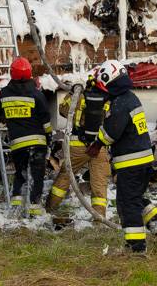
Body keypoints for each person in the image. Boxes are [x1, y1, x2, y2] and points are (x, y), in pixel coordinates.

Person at [88, 60, 157, 253]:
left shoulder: (119, 104)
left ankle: (136, 247)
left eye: (103, 86)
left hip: (131, 162)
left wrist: (97, 143)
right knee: (134, 198)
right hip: (142, 161)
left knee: (128, 204)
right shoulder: (130, 98)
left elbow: (111, 134)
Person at [47, 66, 112, 217]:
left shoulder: (80, 96)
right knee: (99, 183)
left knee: (65, 177)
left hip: (77, 146)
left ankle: (50, 208)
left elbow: (63, 110)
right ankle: (99, 218)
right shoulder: (107, 98)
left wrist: (72, 92)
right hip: (99, 146)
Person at [0, 56, 51, 216]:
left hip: (17, 143)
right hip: (37, 143)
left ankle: (16, 209)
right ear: (29, 74)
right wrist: (49, 138)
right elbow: (45, 120)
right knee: (36, 175)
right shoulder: (36, 94)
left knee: (20, 174)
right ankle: (35, 210)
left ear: (12, 73)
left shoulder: (4, 94)